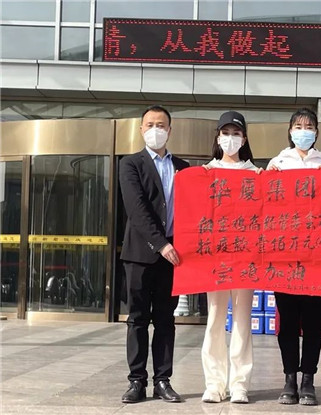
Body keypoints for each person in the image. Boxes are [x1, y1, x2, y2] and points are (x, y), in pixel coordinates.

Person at [119, 105, 189, 404]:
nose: (155, 130)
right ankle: (137, 381)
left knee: (165, 320)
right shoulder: (130, 164)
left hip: (173, 256)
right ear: (141, 129)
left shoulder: (183, 167)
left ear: (169, 131)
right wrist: (161, 244)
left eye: (161, 125)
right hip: (140, 254)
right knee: (137, 319)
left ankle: (163, 380)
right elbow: (137, 209)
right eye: (150, 125)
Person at [266, 108, 321, 406]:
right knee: (289, 322)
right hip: (285, 256)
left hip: (318, 258)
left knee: (314, 323)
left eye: (309, 126)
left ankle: (308, 379)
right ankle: (289, 378)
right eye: (298, 126)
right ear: (290, 130)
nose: (303, 130)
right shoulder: (278, 163)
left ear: (316, 132)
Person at [201, 111, 261, 404]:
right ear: (217, 137)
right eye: (225, 133)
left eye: (236, 133)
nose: (230, 138)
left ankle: (239, 384)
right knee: (214, 318)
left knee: (242, 319)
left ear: (244, 139)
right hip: (215, 258)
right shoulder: (205, 173)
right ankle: (214, 384)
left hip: (246, 257)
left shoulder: (256, 174)